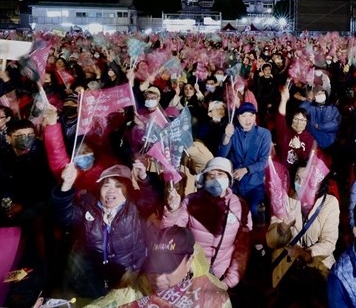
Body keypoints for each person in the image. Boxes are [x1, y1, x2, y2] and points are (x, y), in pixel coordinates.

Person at [51, 162, 156, 299]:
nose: (111, 190)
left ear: (127, 191)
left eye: (118, 186)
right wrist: (66, 187)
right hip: (92, 282)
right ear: (99, 188)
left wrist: (143, 177)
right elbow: (63, 216)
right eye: (106, 185)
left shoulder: (134, 208)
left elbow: (149, 199)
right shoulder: (87, 206)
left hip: (127, 279)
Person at [85, 226, 232, 308]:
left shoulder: (213, 298)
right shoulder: (135, 284)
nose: (158, 278)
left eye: (168, 268)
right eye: (154, 267)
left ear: (189, 262)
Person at [163, 157, 251, 289]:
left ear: (229, 179)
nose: (216, 179)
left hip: (220, 276)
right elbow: (171, 236)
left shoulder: (240, 206)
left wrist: (227, 282)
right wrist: (172, 212)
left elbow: (242, 250)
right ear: (204, 180)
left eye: (220, 174)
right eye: (211, 175)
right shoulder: (191, 201)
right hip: (191, 271)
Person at [266, 160, 340, 306]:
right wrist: (283, 228)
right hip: (289, 263)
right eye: (298, 179)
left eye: (306, 179)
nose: (301, 184)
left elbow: (329, 242)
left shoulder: (330, 203)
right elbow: (271, 241)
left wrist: (306, 253)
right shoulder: (286, 200)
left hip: (318, 261)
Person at [218, 101, 271, 212]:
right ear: (237, 117)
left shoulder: (264, 134)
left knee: (254, 210)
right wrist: (227, 137)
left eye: (251, 115)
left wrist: (246, 170)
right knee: (229, 211)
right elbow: (221, 155)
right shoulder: (233, 132)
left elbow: (264, 161)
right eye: (244, 116)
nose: (248, 120)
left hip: (254, 184)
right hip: (234, 183)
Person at [300, 85, 341, 149]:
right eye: (318, 94)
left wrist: (320, 126)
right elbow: (301, 111)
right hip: (313, 141)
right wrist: (308, 101)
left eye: (322, 93)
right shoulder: (311, 107)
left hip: (328, 141)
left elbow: (335, 125)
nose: (321, 95)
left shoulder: (333, 108)